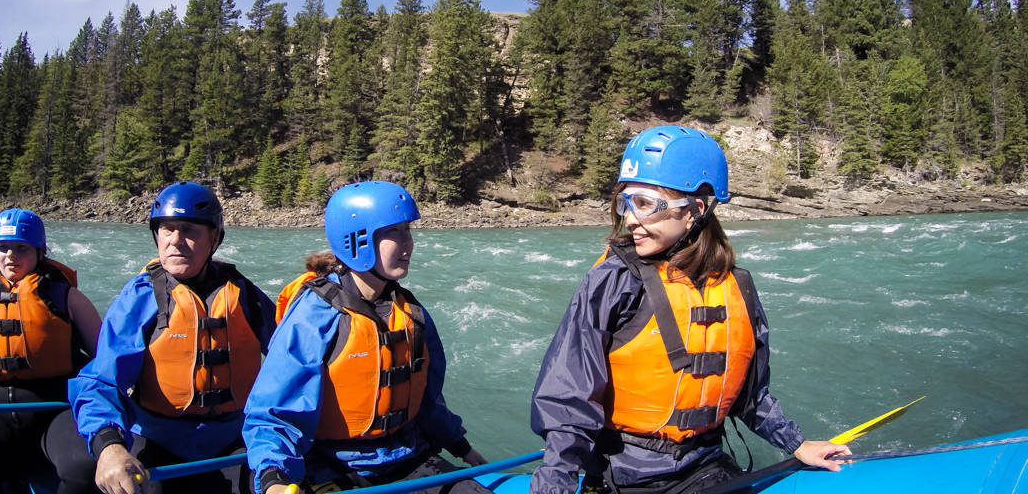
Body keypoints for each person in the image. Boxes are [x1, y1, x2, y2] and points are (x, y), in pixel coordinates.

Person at [529, 126, 850, 494]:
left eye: (646, 203)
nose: (630, 218)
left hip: (706, 466)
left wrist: (795, 443)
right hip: (624, 475)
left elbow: (749, 395)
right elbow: (569, 395)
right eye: (626, 202)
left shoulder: (737, 285)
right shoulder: (612, 281)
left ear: (694, 210)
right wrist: (555, 482)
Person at [243, 181, 490, 494]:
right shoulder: (313, 316)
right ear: (356, 240)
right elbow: (273, 413)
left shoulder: (410, 311)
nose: (408, 243)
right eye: (394, 232)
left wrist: (460, 445)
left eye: (408, 230)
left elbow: (428, 398)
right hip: (330, 466)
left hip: (407, 457)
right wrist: (273, 477)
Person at [69, 181, 276, 494]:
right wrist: (109, 445)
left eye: (189, 230)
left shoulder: (245, 295)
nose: (175, 241)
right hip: (157, 440)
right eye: (167, 229)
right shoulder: (139, 298)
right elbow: (100, 381)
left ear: (214, 238)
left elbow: (293, 363)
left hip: (235, 439)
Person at [0, 208, 103, 493]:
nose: (10, 255)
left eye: (21, 247)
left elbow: (105, 359)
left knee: (84, 469)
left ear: (39, 251)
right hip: (0, 415)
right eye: (3, 247)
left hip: (54, 412)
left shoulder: (68, 298)